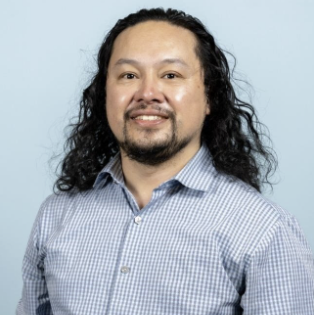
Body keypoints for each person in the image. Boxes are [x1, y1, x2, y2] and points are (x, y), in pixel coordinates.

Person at [17, 8, 314, 315]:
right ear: (104, 94)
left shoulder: (264, 231)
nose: (147, 93)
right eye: (128, 75)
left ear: (210, 96)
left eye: (170, 75)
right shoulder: (55, 216)